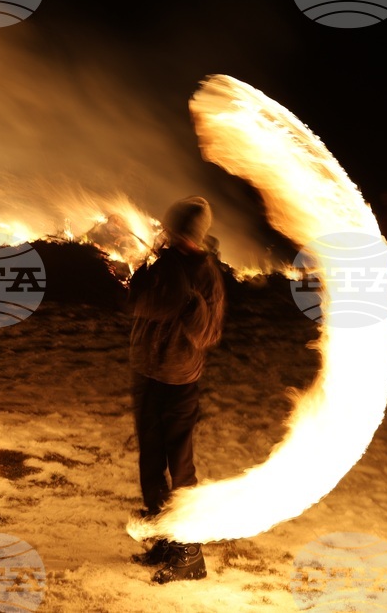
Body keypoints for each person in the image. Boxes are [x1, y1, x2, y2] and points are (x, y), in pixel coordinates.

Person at [126, 196, 226, 584]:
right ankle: (165, 538)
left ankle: (190, 553)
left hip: (179, 380)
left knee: (180, 466)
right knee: (150, 462)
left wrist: (189, 304)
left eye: (180, 232)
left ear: (194, 236)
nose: (173, 237)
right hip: (145, 372)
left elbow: (208, 333)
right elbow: (138, 304)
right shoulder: (160, 261)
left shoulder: (206, 275)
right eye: (172, 231)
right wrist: (138, 274)